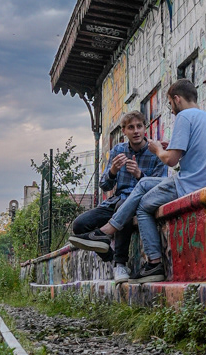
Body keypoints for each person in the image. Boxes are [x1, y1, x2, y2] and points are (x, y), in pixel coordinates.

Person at [100, 78, 206, 278]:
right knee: (144, 183)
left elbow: (170, 160)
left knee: (143, 206)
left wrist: (157, 149)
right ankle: (108, 229)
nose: (171, 109)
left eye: (170, 104)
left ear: (177, 99)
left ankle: (153, 262)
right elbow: (198, 155)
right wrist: (170, 145)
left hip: (191, 184)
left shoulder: (184, 117)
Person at [68, 111, 160, 279]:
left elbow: (161, 185)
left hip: (138, 203)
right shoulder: (118, 150)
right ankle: (110, 258)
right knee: (80, 225)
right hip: (115, 201)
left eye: (139, 126)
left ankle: (120, 264)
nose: (136, 131)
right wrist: (112, 171)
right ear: (124, 131)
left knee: (123, 206)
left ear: (145, 128)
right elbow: (104, 185)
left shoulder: (155, 151)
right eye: (131, 127)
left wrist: (140, 175)